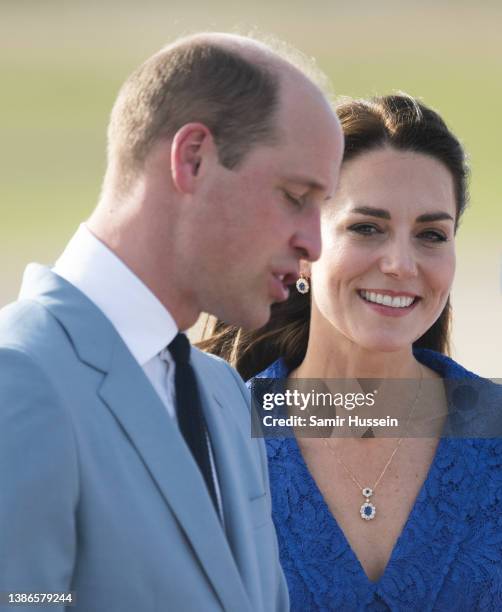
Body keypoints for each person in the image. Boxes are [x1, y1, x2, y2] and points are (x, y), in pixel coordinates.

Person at [0, 33, 344, 611]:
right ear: (193, 159)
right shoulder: (22, 381)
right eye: (294, 196)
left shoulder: (225, 395)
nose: (312, 243)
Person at [201, 94, 502, 610]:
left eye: (431, 234)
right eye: (367, 228)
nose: (401, 265)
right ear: (301, 248)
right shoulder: (215, 446)